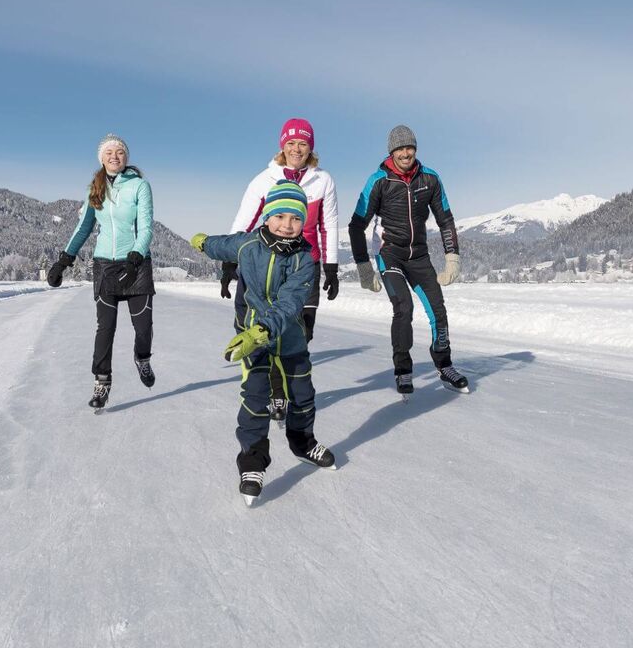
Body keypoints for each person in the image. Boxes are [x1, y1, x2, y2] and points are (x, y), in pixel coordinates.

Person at [190, 180, 336, 506]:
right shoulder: (248, 245)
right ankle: (252, 461)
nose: (287, 225)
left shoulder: (304, 259)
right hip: (251, 337)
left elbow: (290, 302)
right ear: (267, 217)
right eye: (280, 216)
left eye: (296, 218)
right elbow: (224, 245)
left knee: (302, 397)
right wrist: (204, 243)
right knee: (255, 397)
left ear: (303, 222)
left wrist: (264, 330)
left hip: (289, 338)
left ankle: (302, 443)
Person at [222, 117, 339, 423]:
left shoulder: (323, 180)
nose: (297, 149)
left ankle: (288, 385)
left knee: (302, 330)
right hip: (267, 266)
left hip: (305, 264)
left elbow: (328, 225)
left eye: (303, 143)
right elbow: (244, 223)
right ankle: (277, 394)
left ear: (310, 147)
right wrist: (229, 263)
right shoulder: (263, 180)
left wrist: (331, 266)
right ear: (282, 146)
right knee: (270, 328)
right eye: (291, 143)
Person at [348, 125, 469, 395]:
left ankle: (444, 364)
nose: (405, 153)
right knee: (403, 307)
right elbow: (356, 225)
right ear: (392, 151)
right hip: (389, 253)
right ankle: (403, 369)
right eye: (400, 148)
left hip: (419, 255)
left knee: (438, 309)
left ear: (415, 149)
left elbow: (445, 219)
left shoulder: (430, 179)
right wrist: (364, 266)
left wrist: (453, 258)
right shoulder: (378, 180)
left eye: (409, 147)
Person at [47, 134, 155, 408]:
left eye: (119, 152)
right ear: (102, 158)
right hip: (105, 264)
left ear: (126, 157)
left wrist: (135, 257)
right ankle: (101, 382)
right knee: (105, 327)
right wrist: (64, 260)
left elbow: (146, 227)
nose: (114, 156)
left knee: (143, 328)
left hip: (137, 264)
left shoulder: (140, 186)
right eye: (109, 152)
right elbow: (83, 227)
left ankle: (142, 358)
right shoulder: (94, 188)